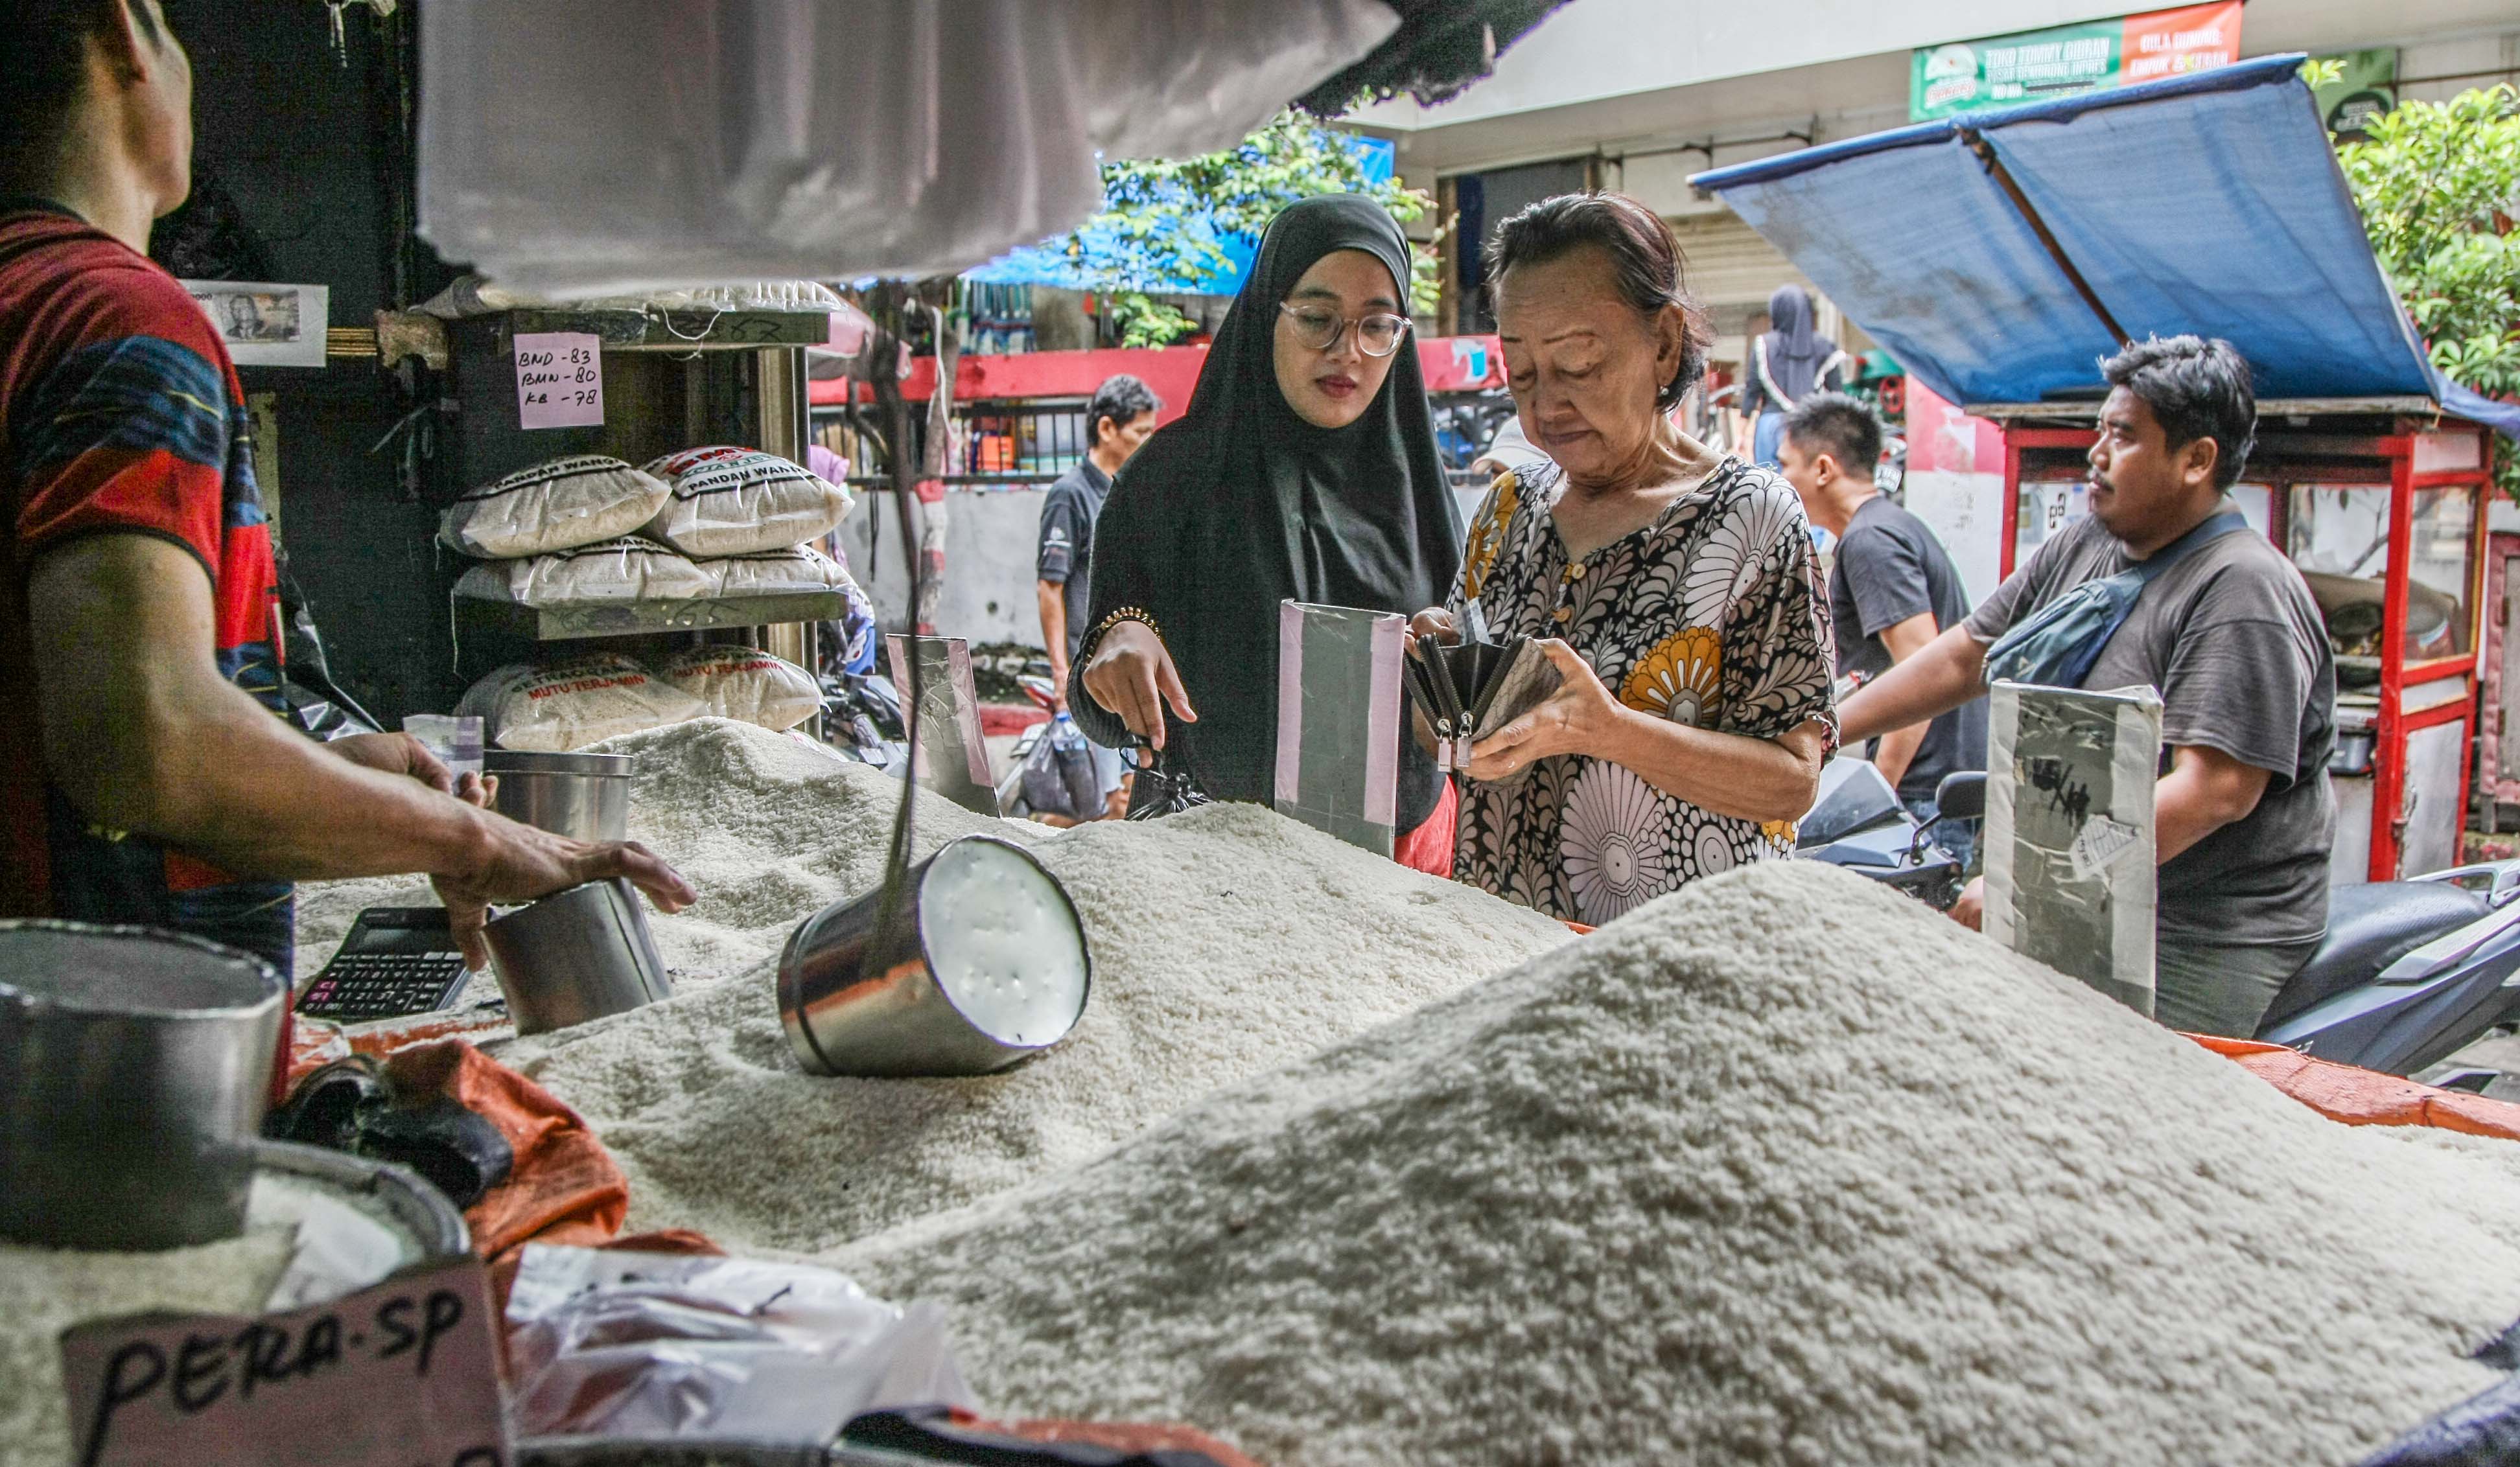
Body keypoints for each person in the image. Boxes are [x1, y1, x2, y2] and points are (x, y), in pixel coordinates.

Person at [1, 0, 694, 978]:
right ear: (125, 37)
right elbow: (145, 744)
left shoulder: (24, 303)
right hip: (107, 1046)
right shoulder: (114, 318)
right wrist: (476, 844)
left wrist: (331, 772)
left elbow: (61, 703)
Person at [1836, 336, 2335, 1038]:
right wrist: (1822, 729)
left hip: (2197, 926)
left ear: (2197, 460)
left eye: (2124, 437)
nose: (2096, 453)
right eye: (2100, 429)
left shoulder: (2240, 588)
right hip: (2075, 892)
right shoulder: (2086, 546)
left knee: (2131, 1108)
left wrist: (2027, 884)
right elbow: (1965, 657)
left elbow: (2213, 790)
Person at [1415, 193, 1837, 924]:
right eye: (1521, 373)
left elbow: (1793, 779)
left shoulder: (1753, 520)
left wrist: (1608, 729)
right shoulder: (1507, 511)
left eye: (1579, 364)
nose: (1546, 406)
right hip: (1500, 944)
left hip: (1671, 961)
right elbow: (1455, 742)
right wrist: (1439, 686)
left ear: (1665, 344)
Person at [1070, 195, 1463, 872]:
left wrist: (1455, 674)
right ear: (1266, 315)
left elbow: (1470, 714)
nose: (1348, 352)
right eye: (1317, 319)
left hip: (1403, 872)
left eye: (1377, 326)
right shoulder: (1172, 479)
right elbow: (1099, 699)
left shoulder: (1422, 495)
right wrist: (1120, 644)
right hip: (1215, 871)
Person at [1775, 391, 1985, 869]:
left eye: (1785, 464)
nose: (1779, 479)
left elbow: (1923, 666)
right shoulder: (1890, 526)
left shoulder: (1871, 541)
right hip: (1933, 784)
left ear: (1824, 469)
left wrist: (1874, 800)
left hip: (1922, 794)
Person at [1036, 374, 1160, 706]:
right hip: (1090, 674)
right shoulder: (1070, 495)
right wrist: (1061, 673)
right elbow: (1050, 588)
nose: (1149, 442)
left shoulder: (1131, 491)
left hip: (1132, 666)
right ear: (1107, 429)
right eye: (1140, 432)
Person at [1737, 284, 1849, 468]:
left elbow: (1752, 391)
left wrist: (1741, 434)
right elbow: (1838, 395)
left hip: (1770, 428)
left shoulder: (1764, 345)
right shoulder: (1825, 347)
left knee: (1769, 489)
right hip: (1809, 428)